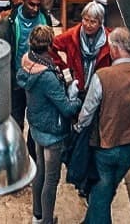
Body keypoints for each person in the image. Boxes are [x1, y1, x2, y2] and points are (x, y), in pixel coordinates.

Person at [75, 26, 130, 223]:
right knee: (105, 192)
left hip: (105, 148)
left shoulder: (102, 77)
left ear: (114, 49)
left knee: (100, 196)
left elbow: (86, 113)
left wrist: (77, 128)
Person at [17, 25, 82, 224]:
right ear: (49, 46)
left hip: (36, 127)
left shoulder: (27, 61)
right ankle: (46, 221)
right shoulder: (47, 77)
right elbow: (67, 109)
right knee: (51, 180)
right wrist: (77, 98)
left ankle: (37, 215)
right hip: (52, 133)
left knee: (39, 172)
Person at [0, 0, 51, 134]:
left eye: (37, 5)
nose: (35, 9)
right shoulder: (9, 22)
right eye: (31, 4)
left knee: (37, 122)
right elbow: (3, 52)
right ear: (23, 1)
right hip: (18, 79)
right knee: (16, 120)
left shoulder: (44, 18)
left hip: (39, 80)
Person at [51, 1, 112, 90]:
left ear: (100, 23)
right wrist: (63, 67)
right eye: (85, 19)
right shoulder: (71, 35)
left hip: (99, 88)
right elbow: (50, 47)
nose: (88, 25)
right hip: (76, 87)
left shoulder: (110, 39)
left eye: (93, 22)